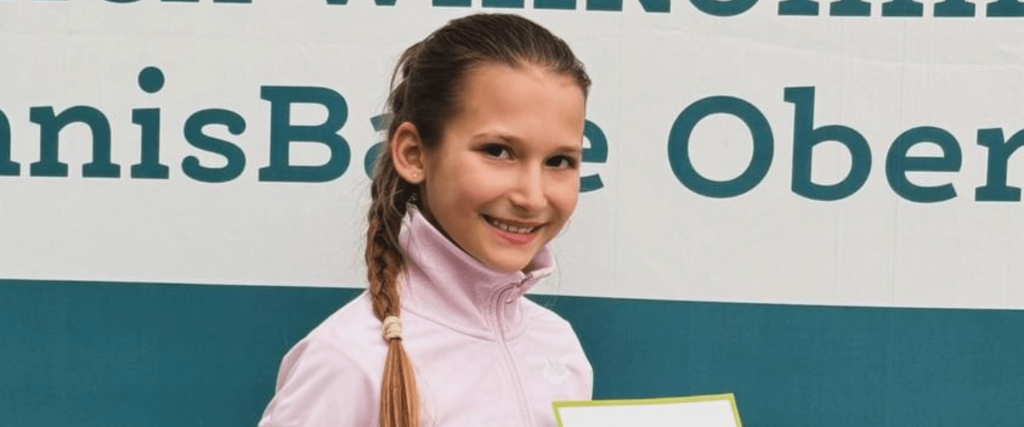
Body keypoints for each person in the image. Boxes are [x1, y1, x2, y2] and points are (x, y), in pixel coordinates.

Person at [258, 13, 593, 427]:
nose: (532, 196)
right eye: (497, 151)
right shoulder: (348, 360)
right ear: (414, 154)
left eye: (559, 161)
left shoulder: (559, 348)